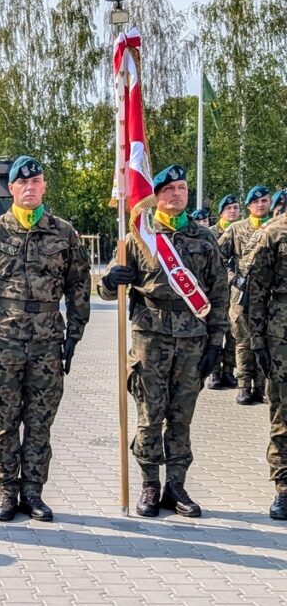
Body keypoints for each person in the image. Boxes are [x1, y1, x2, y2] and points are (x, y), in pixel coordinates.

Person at [0, 156, 91, 522]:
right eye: (23, 182)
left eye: (37, 181)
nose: (30, 187)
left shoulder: (64, 233)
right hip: (4, 341)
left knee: (39, 422)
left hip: (48, 342)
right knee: (4, 420)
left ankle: (33, 492)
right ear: (11, 188)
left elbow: (79, 287)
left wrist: (74, 336)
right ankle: (6, 490)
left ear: (45, 187)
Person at [99, 164, 229, 518]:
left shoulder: (205, 239)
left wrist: (216, 343)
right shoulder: (138, 236)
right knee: (149, 416)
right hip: (149, 339)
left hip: (192, 339)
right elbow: (104, 290)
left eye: (182, 188)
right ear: (154, 196)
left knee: (181, 417)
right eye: (169, 189)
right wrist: (112, 280)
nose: (176, 194)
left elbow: (219, 294)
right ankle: (149, 485)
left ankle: (176, 486)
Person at [245, 215, 287, 519]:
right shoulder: (273, 232)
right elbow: (256, 291)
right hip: (282, 336)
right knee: (284, 412)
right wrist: (257, 340)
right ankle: (284, 487)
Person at [219, 185, 271, 405]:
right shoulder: (236, 229)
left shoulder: (275, 227)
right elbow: (218, 258)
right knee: (242, 341)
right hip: (241, 294)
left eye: (265, 201)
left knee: (262, 341)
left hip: (267, 296)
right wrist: (233, 278)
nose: (261, 205)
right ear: (249, 206)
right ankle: (243, 385)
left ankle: (260, 387)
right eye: (256, 202)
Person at [206, 194, 240, 390]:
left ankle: (229, 371)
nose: (233, 211)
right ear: (221, 212)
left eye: (236, 208)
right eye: (229, 209)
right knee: (217, 329)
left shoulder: (243, 229)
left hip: (237, 292)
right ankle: (215, 372)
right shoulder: (211, 233)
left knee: (234, 333)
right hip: (218, 290)